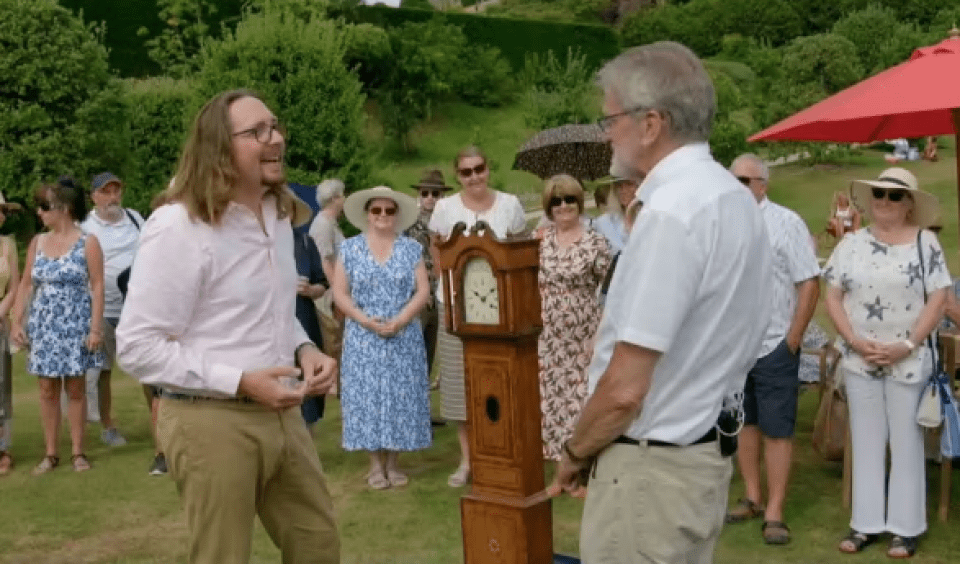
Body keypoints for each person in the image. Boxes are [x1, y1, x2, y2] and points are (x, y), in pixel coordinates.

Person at [550, 42, 773, 564]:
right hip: (696, 459)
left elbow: (626, 388)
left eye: (610, 119)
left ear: (650, 124)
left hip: (652, 473)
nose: (606, 132)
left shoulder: (673, 211)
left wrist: (574, 452)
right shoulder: (732, 197)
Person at [116, 89, 340, 564]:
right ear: (219, 147)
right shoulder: (178, 226)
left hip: (283, 413)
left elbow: (271, 312)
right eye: (257, 132)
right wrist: (240, 381)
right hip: (208, 419)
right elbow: (137, 347)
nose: (275, 137)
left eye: (275, 126)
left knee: (318, 544)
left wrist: (304, 350)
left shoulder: (281, 216)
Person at [824, 167, 949, 559]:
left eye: (895, 196)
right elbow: (833, 296)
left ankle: (906, 528)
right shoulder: (851, 244)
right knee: (865, 439)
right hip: (860, 358)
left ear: (910, 202)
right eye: (879, 193)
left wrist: (908, 343)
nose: (885, 201)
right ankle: (865, 524)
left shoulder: (926, 243)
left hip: (908, 360)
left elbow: (938, 298)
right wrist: (854, 340)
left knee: (907, 441)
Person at [724, 153, 821, 545]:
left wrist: (793, 339)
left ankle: (776, 510)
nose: (737, 188)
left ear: (763, 184)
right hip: (733, 346)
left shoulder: (786, 222)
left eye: (744, 181)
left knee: (777, 429)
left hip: (774, 344)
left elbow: (809, 282)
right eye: (732, 180)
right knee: (744, 423)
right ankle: (752, 496)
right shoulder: (723, 224)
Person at [428, 146, 526, 487]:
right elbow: (436, 250)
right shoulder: (444, 208)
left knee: (499, 381)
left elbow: (519, 250)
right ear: (458, 176)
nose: (474, 177)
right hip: (454, 305)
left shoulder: (510, 205)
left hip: (500, 307)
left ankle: (500, 454)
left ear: (488, 168)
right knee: (458, 384)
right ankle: (468, 461)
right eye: (466, 172)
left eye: (479, 169)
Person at [333, 185, 432, 489]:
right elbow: (339, 293)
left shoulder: (411, 248)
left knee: (401, 397)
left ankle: (394, 463)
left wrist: (402, 320)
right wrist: (365, 320)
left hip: (403, 335)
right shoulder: (349, 248)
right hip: (363, 336)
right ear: (367, 215)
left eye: (389, 210)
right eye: (376, 210)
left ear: (397, 214)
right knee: (367, 399)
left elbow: (424, 291)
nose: (383, 216)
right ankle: (375, 465)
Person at [11, 177, 105, 475]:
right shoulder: (37, 242)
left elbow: (98, 285)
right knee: (47, 389)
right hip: (44, 325)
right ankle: (51, 453)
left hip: (76, 324)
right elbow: (26, 285)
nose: (39, 212)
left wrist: (95, 329)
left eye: (44, 206)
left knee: (76, 389)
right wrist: (16, 321)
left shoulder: (87, 242)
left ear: (63, 208)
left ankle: (78, 452)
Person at [537, 174, 611, 461]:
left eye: (569, 199)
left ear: (579, 203)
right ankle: (559, 466)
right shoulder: (539, 242)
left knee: (581, 402)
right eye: (556, 201)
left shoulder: (596, 242)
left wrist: (599, 336)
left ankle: (582, 462)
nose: (563, 206)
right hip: (547, 337)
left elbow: (610, 293)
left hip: (583, 336)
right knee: (551, 401)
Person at [81, 172, 139, 453]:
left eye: (116, 191)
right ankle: (108, 426)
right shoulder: (85, 228)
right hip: (102, 310)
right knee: (102, 372)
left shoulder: (136, 219)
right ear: (94, 196)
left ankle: (160, 423)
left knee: (151, 369)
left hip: (138, 309)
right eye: (106, 191)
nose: (113, 197)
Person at [404, 170, 451, 386]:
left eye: (435, 193)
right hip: (418, 293)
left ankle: (424, 412)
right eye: (425, 193)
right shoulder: (410, 223)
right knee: (414, 350)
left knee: (432, 349)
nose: (430, 198)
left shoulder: (450, 221)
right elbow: (408, 260)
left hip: (445, 290)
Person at [309, 179, 347, 390]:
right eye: (342, 195)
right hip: (330, 292)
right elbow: (325, 260)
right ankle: (332, 383)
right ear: (334, 198)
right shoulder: (323, 224)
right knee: (333, 338)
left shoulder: (330, 223)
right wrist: (338, 292)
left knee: (339, 339)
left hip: (337, 289)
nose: (344, 199)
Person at [293, 222, 328, 435]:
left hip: (303, 318)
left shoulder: (304, 242)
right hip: (267, 322)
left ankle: (307, 441)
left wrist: (310, 290)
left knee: (308, 378)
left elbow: (322, 283)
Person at [0, 193, 20, 476]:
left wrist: (2, 311)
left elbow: (15, 286)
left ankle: (2, 448)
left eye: (4, 210)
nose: (2, 215)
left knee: (1, 387)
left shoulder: (7, 246)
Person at [592, 175, 639, 253]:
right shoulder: (604, 222)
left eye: (629, 184)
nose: (623, 191)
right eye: (619, 186)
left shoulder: (650, 217)